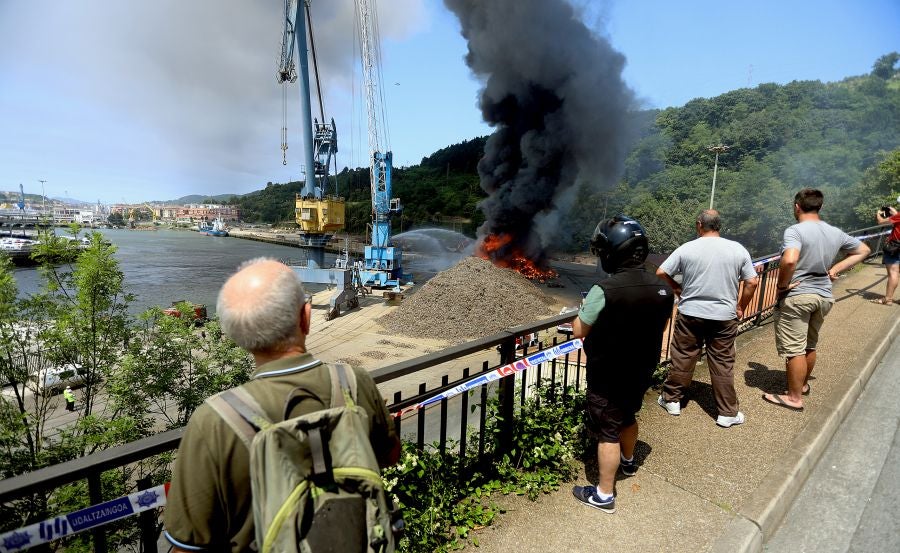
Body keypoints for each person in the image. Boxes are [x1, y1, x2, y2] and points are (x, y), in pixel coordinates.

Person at [164, 258, 400, 552]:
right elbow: (389, 456)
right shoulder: (354, 382)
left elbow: (186, 545)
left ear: (237, 335)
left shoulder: (214, 421)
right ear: (306, 317)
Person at [571, 215, 674, 514]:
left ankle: (604, 494)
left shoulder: (605, 290)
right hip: (642, 369)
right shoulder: (663, 288)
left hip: (609, 373)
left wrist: (580, 312)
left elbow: (579, 330)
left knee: (608, 430)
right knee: (627, 414)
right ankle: (628, 461)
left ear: (611, 252)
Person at [763, 189, 870, 411]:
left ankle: (793, 398)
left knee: (795, 349)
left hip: (798, 296)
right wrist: (835, 269)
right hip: (823, 296)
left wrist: (781, 285)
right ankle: (801, 387)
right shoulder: (834, 232)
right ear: (820, 207)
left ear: (796, 207)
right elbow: (864, 249)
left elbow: (790, 260)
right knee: (810, 344)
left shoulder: (795, 230)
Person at [655, 210, 759, 428]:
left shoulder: (687, 248)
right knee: (722, 362)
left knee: (683, 356)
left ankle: (672, 400)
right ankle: (727, 413)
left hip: (690, 313)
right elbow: (752, 282)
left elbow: (661, 272)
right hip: (724, 316)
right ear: (719, 226)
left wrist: (677, 289)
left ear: (699, 224)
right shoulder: (737, 249)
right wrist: (740, 306)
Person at [873, 202, 900, 305]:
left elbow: (881, 222)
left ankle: (888, 299)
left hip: (895, 248)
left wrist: (878, 213)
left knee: (893, 273)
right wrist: (895, 213)